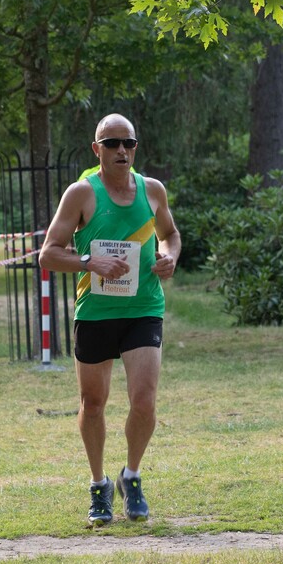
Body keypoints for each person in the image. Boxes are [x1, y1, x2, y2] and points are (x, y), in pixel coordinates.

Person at [39, 113, 180, 525]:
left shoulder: (152, 190)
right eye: (112, 143)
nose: (122, 150)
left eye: (128, 143)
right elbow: (48, 254)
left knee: (144, 401)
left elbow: (170, 235)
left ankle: (130, 476)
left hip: (143, 309)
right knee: (93, 403)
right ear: (96, 149)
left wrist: (170, 256)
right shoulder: (81, 194)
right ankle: (98, 483)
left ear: (135, 148)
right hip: (96, 312)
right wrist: (89, 262)